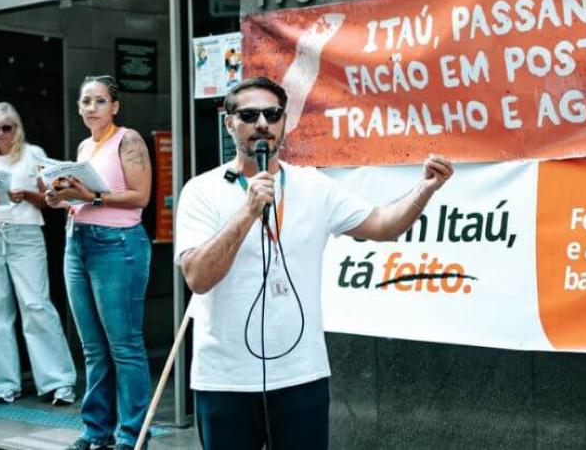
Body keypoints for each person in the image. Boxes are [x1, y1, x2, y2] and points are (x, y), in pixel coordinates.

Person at [174, 76, 455, 450]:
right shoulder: (202, 190)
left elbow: (384, 226)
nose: (262, 123)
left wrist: (425, 189)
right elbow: (198, 277)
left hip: (300, 375)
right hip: (225, 378)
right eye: (249, 114)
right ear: (229, 122)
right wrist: (247, 212)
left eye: (272, 114)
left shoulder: (313, 185)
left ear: (284, 122)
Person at [44, 76, 153, 450]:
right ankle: (96, 431)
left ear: (115, 106)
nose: (92, 108)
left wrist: (91, 196)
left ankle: (132, 434)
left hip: (118, 244)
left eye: (100, 101)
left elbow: (141, 196)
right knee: (93, 347)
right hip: (78, 243)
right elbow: (86, 201)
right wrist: (63, 199)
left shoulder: (129, 139)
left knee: (124, 345)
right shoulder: (84, 146)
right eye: (85, 101)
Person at [0, 102, 77, 406]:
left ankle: (59, 382)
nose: (1, 134)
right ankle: (3, 385)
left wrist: (26, 194)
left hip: (24, 236)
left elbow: (49, 197)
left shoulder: (33, 153)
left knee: (36, 306)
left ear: (17, 128)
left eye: (7, 127)